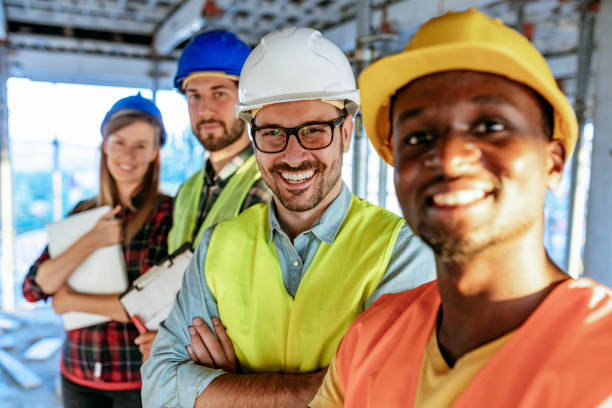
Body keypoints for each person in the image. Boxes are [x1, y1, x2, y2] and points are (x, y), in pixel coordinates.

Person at [310, 9, 612, 408]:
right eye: (418, 136)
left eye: (490, 127)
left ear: (552, 161)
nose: (449, 159)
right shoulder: (373, 336)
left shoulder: (600, 362)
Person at [141, 27, 435, 407]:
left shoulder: (400, 252)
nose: (293, 156)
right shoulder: (219, 244)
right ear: (254, 138)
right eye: (273, 133)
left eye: (314, 131)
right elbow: (159, 389)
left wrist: (232, 387)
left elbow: (393, 394)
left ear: (346, 134)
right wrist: (329, 386)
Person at [23, 93, 173, 408]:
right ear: (104, 145)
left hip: (137, 379)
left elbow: (147, 306)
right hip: (77, 375)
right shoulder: (82, 212)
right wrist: (93, 239)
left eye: (140, 146)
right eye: (119, 142)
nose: (127, 155)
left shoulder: (168, 215)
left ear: (155, 153)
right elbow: (35, 287)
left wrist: (70, 300)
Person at [167, 30, 272, 253]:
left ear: (247, 100)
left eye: (219, 94)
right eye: (194, 96)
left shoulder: (268, 186)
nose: (205, 110)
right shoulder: (186, 191)